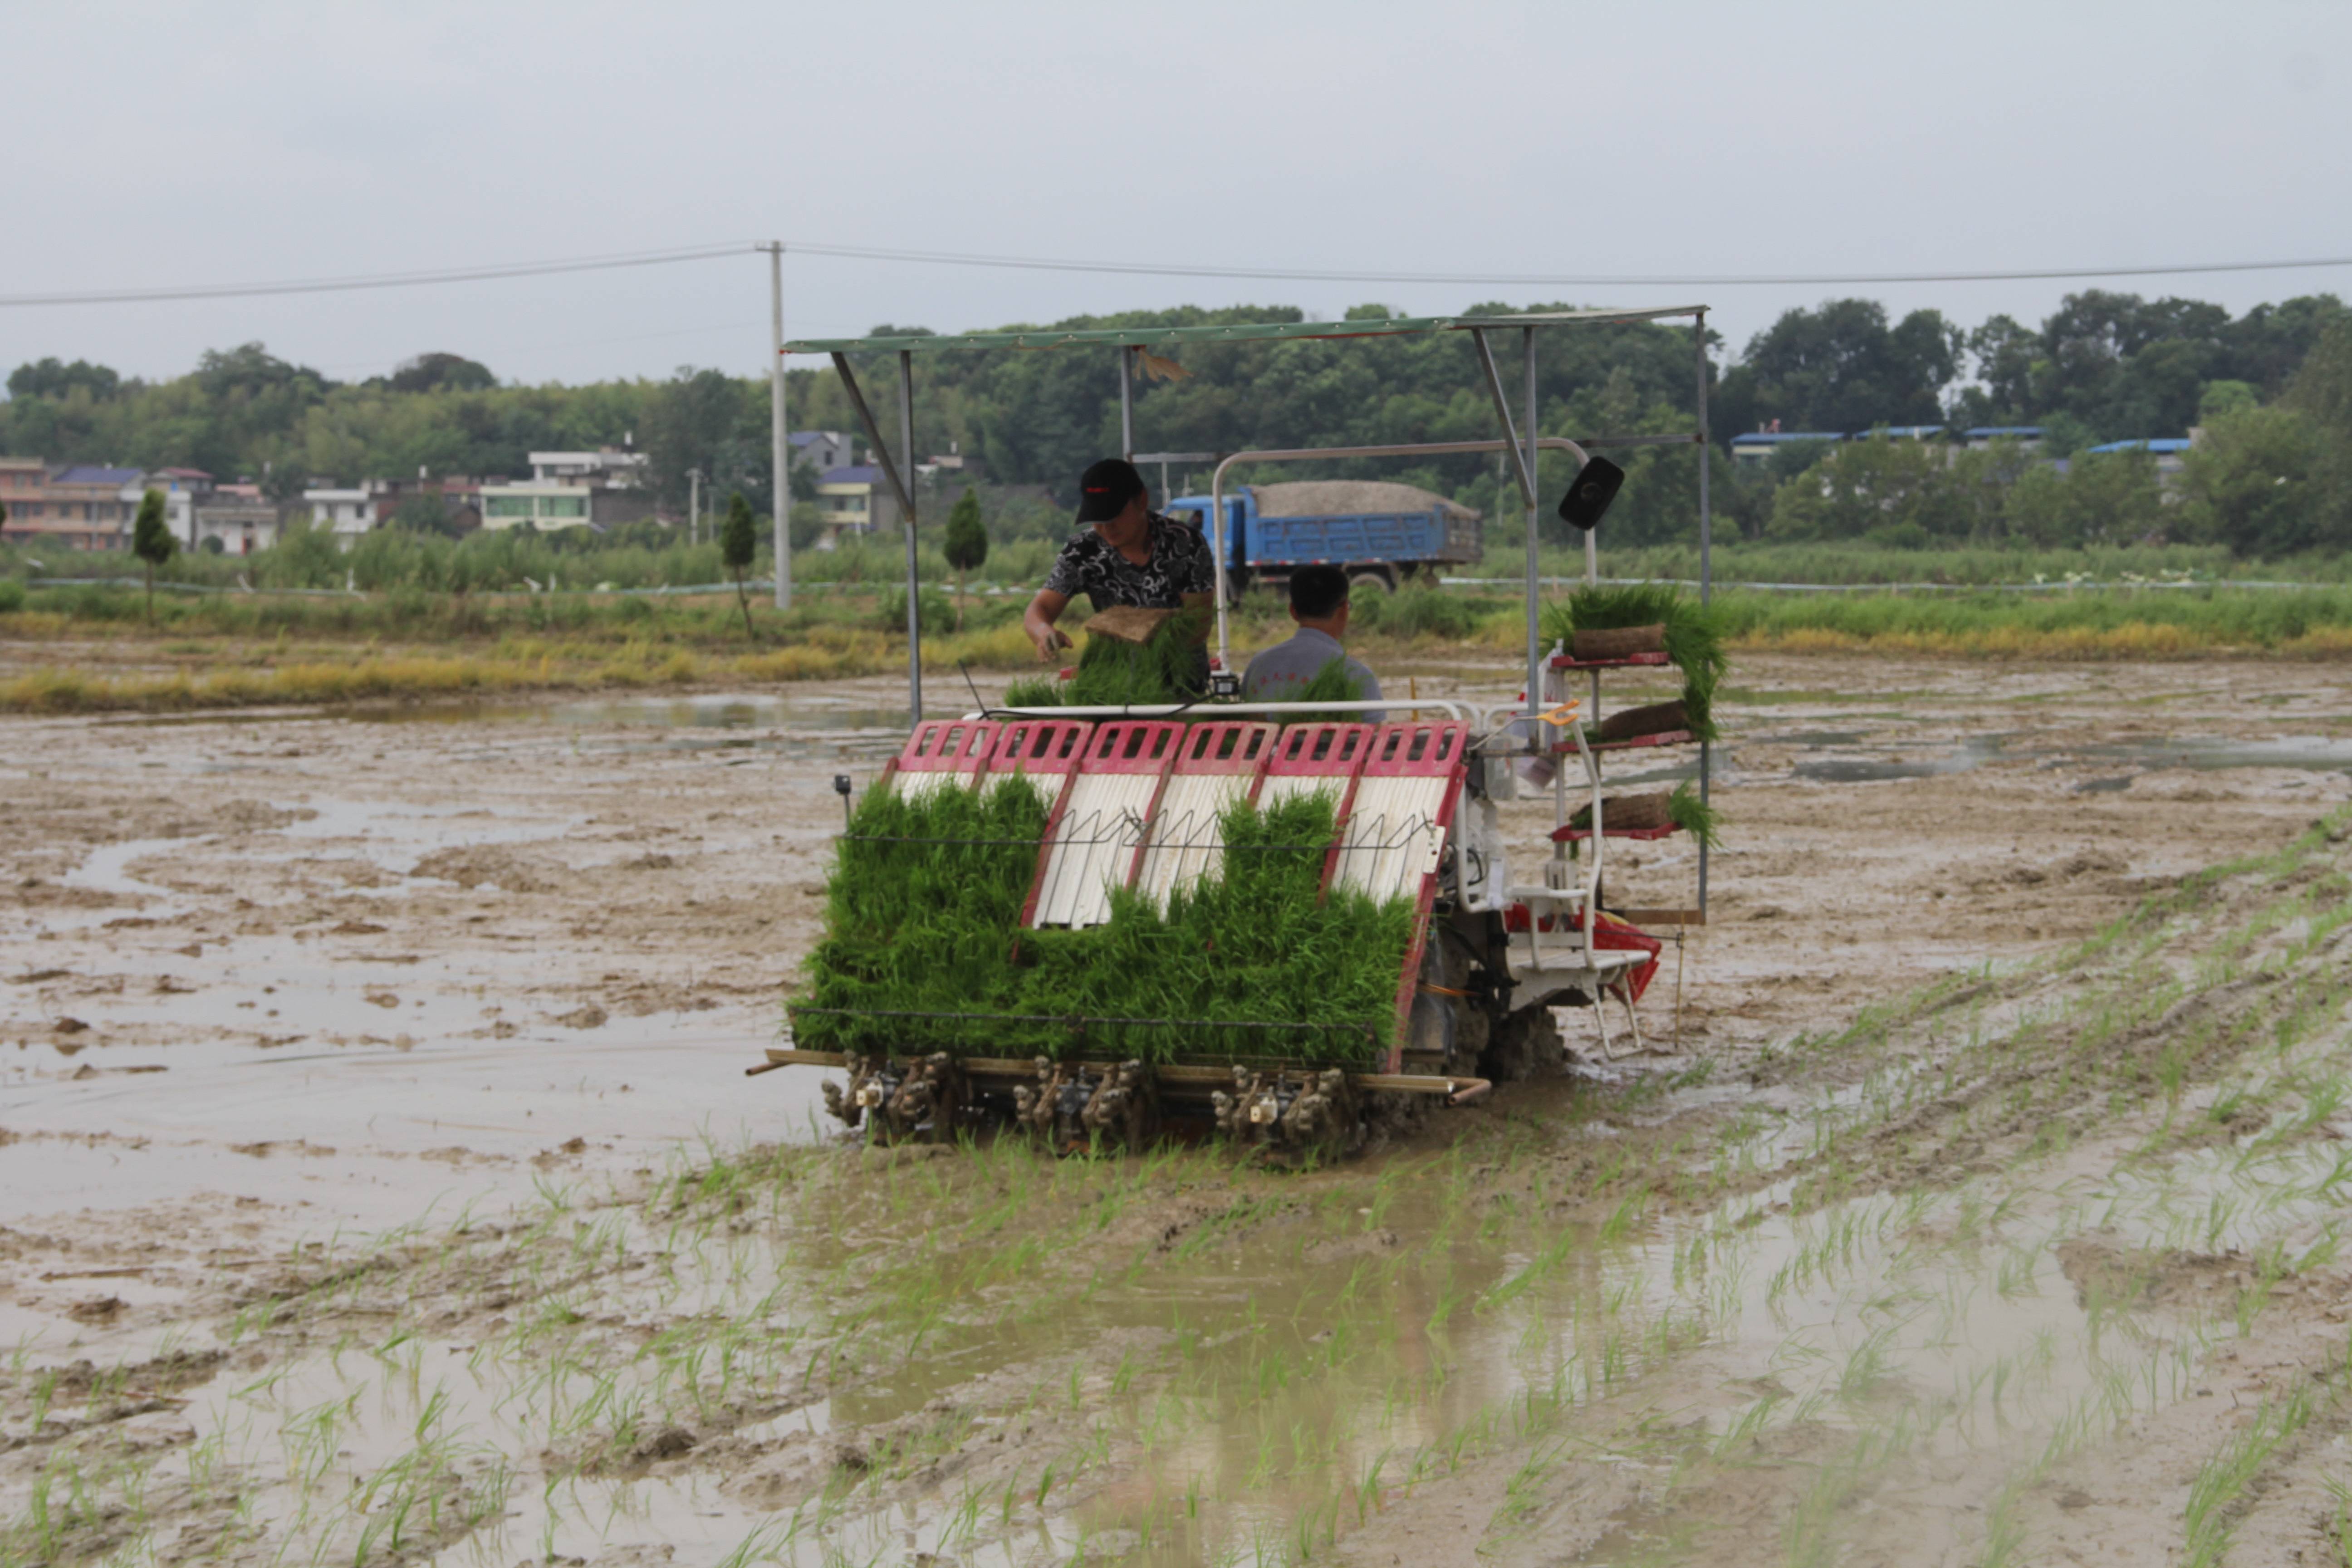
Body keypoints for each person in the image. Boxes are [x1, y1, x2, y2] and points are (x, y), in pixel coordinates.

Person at [1023, 457, 1215, 693]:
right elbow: (1038, 611)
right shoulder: (1083, 551)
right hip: (1109, 681)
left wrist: (1143, 645)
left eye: (1114, 515)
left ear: (1141, 501)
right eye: (1098, 519)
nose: (1107, 528)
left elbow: (1198, 624)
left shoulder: (1185, 545)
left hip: (1179, 682)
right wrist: (1044, 633)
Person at [1242, 564, 1384, 719]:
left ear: (1293, 612)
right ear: (1344, 610)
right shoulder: (1358, 676)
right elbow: (1373, 738)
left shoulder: (1257, 666)